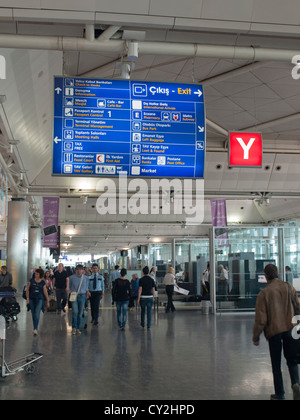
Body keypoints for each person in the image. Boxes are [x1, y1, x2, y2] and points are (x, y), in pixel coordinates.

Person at [253, 263, 300, 400]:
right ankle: (296, 384)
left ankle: (280, 393)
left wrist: (256, 336)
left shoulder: (264, 293)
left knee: (276, 364)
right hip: (291, 329)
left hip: (274, 332)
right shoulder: (288, 287)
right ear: (278, 273)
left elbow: (261, 318)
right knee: (292, 360)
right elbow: (297, 305)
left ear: (266, 276)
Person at [25, 268, 49, 335]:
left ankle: (35, 328)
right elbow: (27, 290)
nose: (36, 275)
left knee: (37, 313)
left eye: (37, 274)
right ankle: (35, 327)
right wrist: (27, 298)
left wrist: (47, 300)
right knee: (33, 314)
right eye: (35, 274)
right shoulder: (31, 281)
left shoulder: (42, 282)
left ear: (40, 275)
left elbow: (45, 292)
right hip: (32, 299)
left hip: (40, 299)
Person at [69, 264, 90, 335]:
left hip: (83, 296)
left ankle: (78, 328)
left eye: (80, 269)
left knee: (80, 313)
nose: (79, 271)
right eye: (77, 269)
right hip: (74, 296)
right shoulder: (72, 278)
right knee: (75, 311)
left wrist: (87, 292)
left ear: (83, 270)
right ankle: (74, 328)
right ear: (75, 270)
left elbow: (87, 287)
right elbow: (70, 286)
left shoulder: (86, 278)